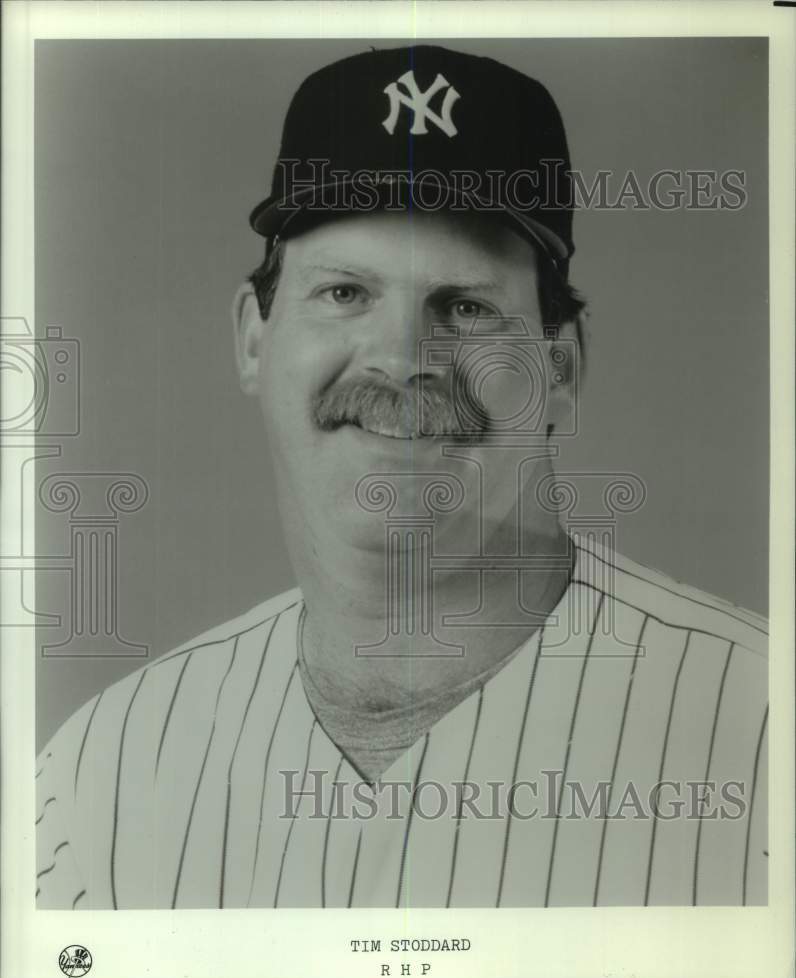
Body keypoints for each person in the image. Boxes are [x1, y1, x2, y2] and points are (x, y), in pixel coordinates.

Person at [36, 44, 768, 909]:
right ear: (254, 339)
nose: (400, 356)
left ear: (559, 370)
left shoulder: (764, 733)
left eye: (466, 307)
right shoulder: (99, 774)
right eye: (345, 293)